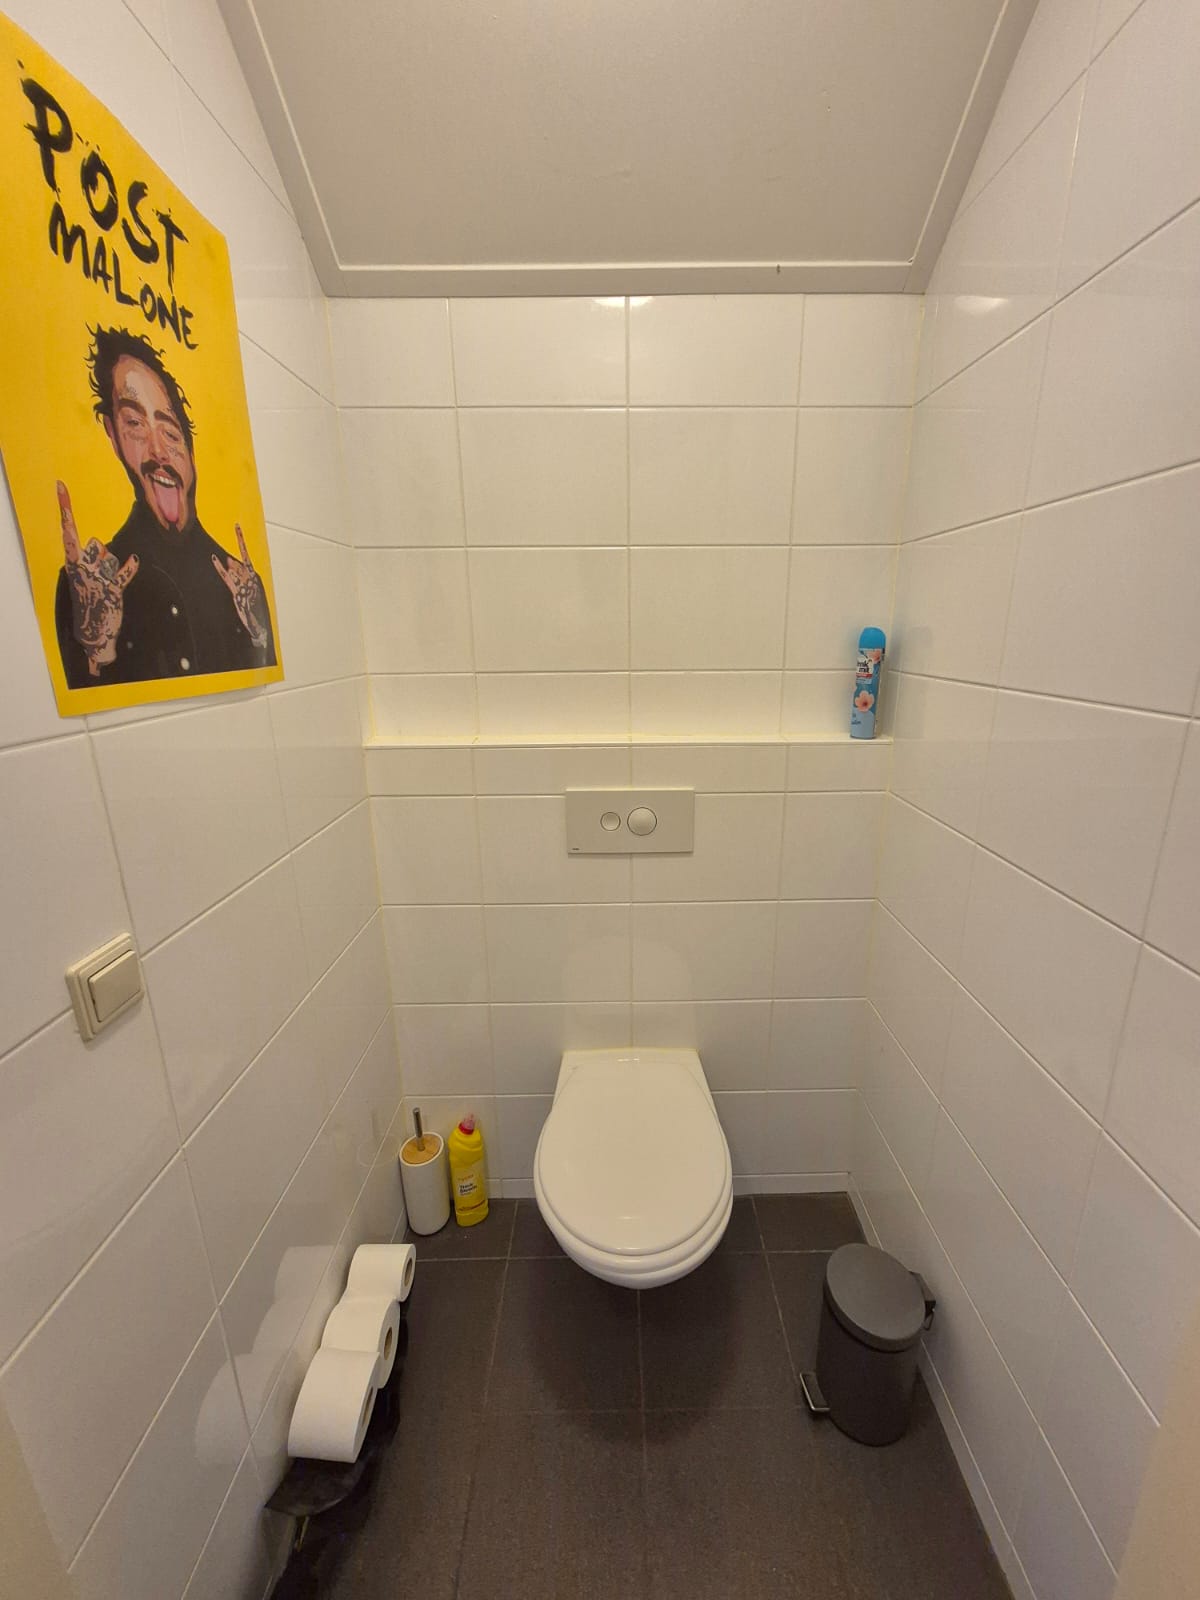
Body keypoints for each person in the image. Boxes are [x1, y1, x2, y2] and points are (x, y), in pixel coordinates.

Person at [54, 326, 276, 686]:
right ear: (113, 435)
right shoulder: (90, 594)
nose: (158, 450)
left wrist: (259, 637)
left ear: (190, 452)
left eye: (170, 432)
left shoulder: (241, 587)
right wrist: (96, 654)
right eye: (135, 423)